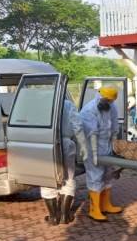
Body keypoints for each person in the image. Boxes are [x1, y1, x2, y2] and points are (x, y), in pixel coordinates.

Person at [40, 97, 88, 225]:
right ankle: (64, 215)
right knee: (68, 178)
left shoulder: (42, 104)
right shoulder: (68, 105)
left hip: (46, 143)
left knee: (47, 178)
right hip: (66, 144)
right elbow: (77, 126)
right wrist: (83, 146)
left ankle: (53, 216)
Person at [80, 85, 122, 221]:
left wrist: (115, 147)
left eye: (111, 101)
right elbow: (91, 133)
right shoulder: (89, 110)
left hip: (106, 145)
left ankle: (106, 205)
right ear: (101, 96)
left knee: (107, 175)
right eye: (107, 100)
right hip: (92, 146)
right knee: (95, 176)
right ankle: (94, 210)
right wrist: (94, 154)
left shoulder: (111, 107)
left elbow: (115, 127)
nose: (109, 103)